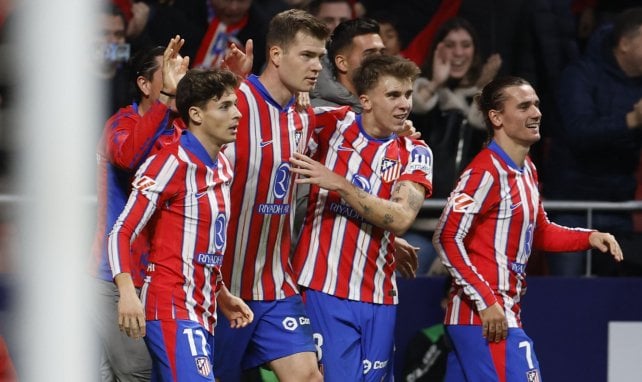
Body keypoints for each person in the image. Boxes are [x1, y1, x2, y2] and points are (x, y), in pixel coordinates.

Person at [432, 76, 623, 381]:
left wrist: (589, 237)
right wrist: (486, 300)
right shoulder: (485, 172)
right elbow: (446, 236)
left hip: (494, 313)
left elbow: (540, 231)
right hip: (484, 318)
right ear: (496, 117)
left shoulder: (527, 169)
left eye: (536, 104)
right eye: (523, 106)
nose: (536, 112)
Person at [290, 54, 432, 381]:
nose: (404, 104)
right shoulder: (328, 124)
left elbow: (399, 218)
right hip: (324, 290)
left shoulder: (416, 151)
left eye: (408, 95)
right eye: (393, 95)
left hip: (380, 297)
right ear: (365, 101)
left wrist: (339, 183)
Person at [108, 68, 254, 381]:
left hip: (204, 309)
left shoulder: (222, 166)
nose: (238, 114)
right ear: (196, 114)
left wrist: (221, 292)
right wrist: (127, 292)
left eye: (236, 104)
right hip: (171, 306)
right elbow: (121, 230)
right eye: (225, 106)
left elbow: (202, 242)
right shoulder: (170, 162)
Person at [212, 9, 330, 382]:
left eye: (321, 58)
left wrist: (400, 132)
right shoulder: (234, 103)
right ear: (276, 55)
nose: (316, 67)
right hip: (221, 288)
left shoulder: (303, 117)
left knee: (309, 375)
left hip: (274, 285)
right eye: (307, 56)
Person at [90, 36, 188, 382]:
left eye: (183, 68)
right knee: (138, 373)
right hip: (112, 277)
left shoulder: (181, 130)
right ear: (145, 85)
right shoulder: (120, 124)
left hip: (159, 278)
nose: (180, 76)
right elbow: (130, 156)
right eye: (171, 70)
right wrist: (166, 101)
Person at [544, 7, 642, 276]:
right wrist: (631, 121)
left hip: (617, 207)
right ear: (624, 44)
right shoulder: (579, 75)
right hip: (571, 209)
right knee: (568, 296)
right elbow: (579, 133)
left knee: (614, 301)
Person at [310, 17, 384, 112]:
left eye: (382, 52)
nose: (381, 60)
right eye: (369, 54)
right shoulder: (316, 113)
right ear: (342, 63)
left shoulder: (387, 108)